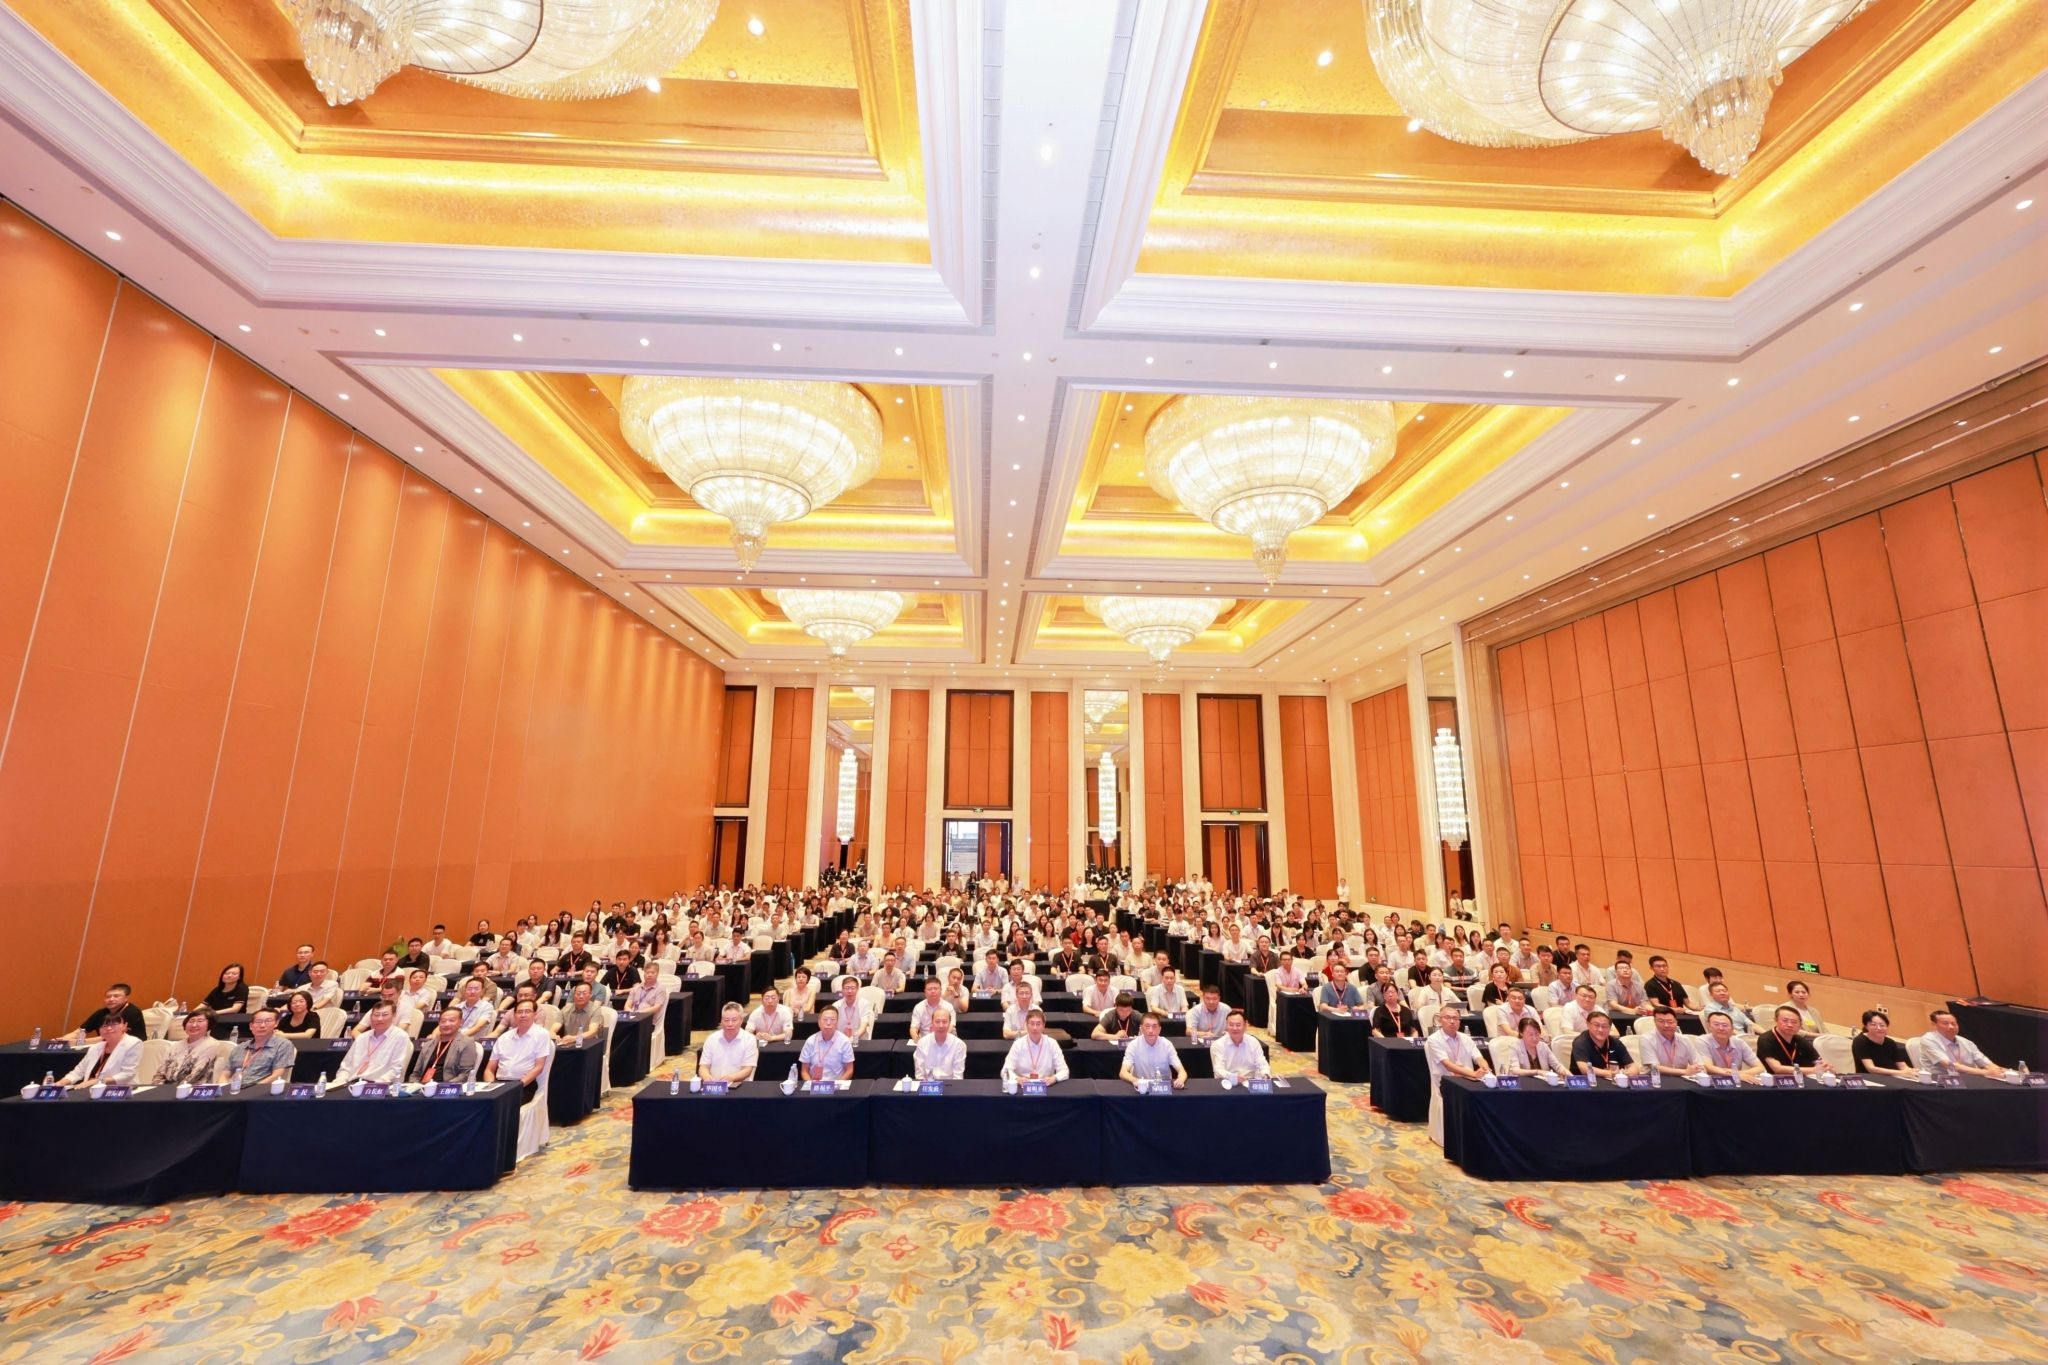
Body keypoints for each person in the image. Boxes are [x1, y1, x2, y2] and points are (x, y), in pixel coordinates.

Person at [1423, 1006, 1488, 1145]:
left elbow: (1478, 1056)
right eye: (1448, 1018)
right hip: (1447, 1081)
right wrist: (1473, 1074)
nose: (1452, 1021)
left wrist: (1484, 1066)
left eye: (1455, 1018)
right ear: (1440, 1020)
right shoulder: (1434, 1040)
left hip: (1469, 1080)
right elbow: (1447, 1064)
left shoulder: (1465, 1038)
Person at [484, 1000, 551, 1101]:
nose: (523, 1015)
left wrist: (517, 1086)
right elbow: (489, 1069)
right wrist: (491, 1087)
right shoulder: (504, 1037)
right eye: (519, 1012)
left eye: (527, 1011)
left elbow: (539, 1067)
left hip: (523, 1085)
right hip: (499, 1085)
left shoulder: (542, 1034)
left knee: (503, 1105)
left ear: (535, 1014)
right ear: (514, 1015)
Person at [334, 1003, 411, 1085]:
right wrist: (339, 1082)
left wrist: (376, 1085)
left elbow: (396, 1069)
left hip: (379, 1085)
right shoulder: (362, 1038)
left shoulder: (400, 1037)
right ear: (371, 1017)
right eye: (376, 1015)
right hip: (353, 1084)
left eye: (385, 1015)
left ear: (394, 1016)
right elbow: (345, 1067)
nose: (380, 1019)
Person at [61, 1015, 143, 1088]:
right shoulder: (96, 1047)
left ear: (125, 1026)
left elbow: (128, 1074)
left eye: (114, 1024)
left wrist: (98, 1081)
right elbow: (78, 1071)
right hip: (90, 1088)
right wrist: (60, 1083)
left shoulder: (133, 1043)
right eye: (104, 1026)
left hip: (118, 1090)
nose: (109, 1028)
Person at [410, 1007, 482, 1085]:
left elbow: (465, 1074)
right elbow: (416, 1073)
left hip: (448, 1087)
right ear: (439, 1023)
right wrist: (415, 1086)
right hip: (423, 1087)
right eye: (443, 1021)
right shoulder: (428, 1044)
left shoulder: (466, 1042)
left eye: (452, 1020)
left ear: (461, 1022)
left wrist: (443, 1086)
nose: (447, 1024)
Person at [1917, 1010, 2001, 1077]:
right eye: (1945, 1023)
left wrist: (1996, 1070)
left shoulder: (1966, 1042)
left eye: (1954, 1023)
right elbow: (1949, 1065)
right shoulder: (1928, 1040)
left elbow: (1984, 1062)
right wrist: (1985, 1072)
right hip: (1941, 1082)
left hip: (1970, 1080)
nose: (1951, 1027)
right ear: (1934, 1025)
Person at [155, 1009, 226, 1086]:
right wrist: (158, 1088)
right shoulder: (175, 1045)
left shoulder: (212, 1045)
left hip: (191, 1089)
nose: (194, 1025)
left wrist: (170, 1090)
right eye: (191, 1021)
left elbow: (194, 1077)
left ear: (209, 1025)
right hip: (166, 1088)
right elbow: (160, 1073)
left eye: (200, 1021)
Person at [1758, 1005, 1831, 1077]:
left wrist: (1825, 1067)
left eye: (1794, 1022)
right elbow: (1777, 1069)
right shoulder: (1765, 1039)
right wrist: (1813, 1070)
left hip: (1800, 1078)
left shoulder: (1800, 1040)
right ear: (1775, 1020)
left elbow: (1818, 1061)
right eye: (1785, 1021)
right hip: (1775, 1080)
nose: (1790, 1025)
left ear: (1800, 1025)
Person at [1118, 1012, 1187, 1090]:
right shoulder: (1133, 1045)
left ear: (1159, 1029)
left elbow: (1182, 1071)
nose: (1151, 1030)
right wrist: (1136, 1081)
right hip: (1141, 1089)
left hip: (1162, 1089)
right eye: (1147, 1026)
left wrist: (1180, 1080)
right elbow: (1123, 1072)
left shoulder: (1167, 1045)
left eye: (1154, 1027)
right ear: (1141, 1029)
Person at [1001, 1008, 1070, 1085]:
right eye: (1032, 1023)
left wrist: (1054, 1078)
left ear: (1044, 1025)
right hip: (1023, 1087)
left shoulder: (1052, 1044)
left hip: (1046, 1087)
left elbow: (1065, 1070)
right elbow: (1005, 1071)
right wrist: (1017, 1079)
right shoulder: (1018, 1044)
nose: (1035, 1028)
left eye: (1038, 1024)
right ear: (1027, 1025)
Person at [697, 1003, 760, 1083]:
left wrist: (731, 1078)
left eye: (734, 1020)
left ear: (741, 1021)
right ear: (721, 1021)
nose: (730, 1024)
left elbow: (747, 1069)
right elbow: (703, 1066)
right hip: (715, 1085)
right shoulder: (712, 1039)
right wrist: (707, 1077)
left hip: (739, 1085)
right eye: (726, 1020)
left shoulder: (749, 1040)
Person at [1699, 1011, 1764, 1082]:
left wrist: (1737, 1074)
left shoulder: (1739, 1042)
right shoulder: (1702, 1041)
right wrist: (1735, 1074)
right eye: (1716, 1024)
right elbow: (1708, 1067)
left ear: (1732, 1028)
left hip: (1737, 1083)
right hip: (1712, 1083)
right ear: (1709, 1026)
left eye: (1725, 1025)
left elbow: (1760, 1068)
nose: (1721, 1028)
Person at [1569, 1011, 1636, 1079]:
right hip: (1585, 1082)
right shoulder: (1580, 1042)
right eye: (1596, 1025)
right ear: (1588, 1025)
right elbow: (1585, 1069)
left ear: (1610, 1028)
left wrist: (1625, 1074)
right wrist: (1612, 1073)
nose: (1600, 1029)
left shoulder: (1615, 1042)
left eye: (1605, 1026)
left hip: (1612, 1081)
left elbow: (1633, 1067)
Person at [1639, 1006, 1703, 1077]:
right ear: (1655, 1022)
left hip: (1681, 1079)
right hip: (1656, 1079)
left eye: (1670, 1022)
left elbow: (1698, 1064)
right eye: (1661, 1021)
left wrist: (1698, 1070)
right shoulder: (1646, 1039)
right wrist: (1685, 1071)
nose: (1666, 1025)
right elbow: (1654, 1067)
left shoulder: (1685, 1040)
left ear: (1676, 1022)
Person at [800, 1005, 856, 1081]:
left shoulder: (844, 1042)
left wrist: (837, 1085)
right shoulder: (810, 1041)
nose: (828, 1023)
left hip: (836, 1084)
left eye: (832, 1020)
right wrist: (811, 1085)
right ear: (819, 1022)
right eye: (825, 1019)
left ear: (837, 1023)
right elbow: (804, 1071)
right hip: (814, 1084)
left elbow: (849, 1071)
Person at [1210, 1009, 1269, 1080]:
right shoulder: (1218, 1044)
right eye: (1231, 1025)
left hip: (1250, 1081)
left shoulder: (1253, 1042)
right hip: (1228, 1081)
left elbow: (1262, 1063)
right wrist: (1233, 1077)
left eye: (1238, 1025)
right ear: (1226, 1026)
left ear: (1245, 1026)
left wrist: (1265, 1074)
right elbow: (1218, 1070)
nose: (1234, 1028)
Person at [1851, 1009, 1915, 1075]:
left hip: (1891, 1076)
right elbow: (1871, 1069)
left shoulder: (1890, 1042)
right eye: (1873, 1025)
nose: (1879, 1028)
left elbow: (1903, 1066)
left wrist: (1911, 1071)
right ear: (1866, 1026)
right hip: (1869, 1077)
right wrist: (1901, 1073)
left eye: (1882, 1025)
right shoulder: (1860, 1041)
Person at [911, 1007, 966, 1081]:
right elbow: (919, 1075)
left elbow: (958, 1077)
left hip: (950, 1085)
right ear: (932, 1023)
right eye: (937, 1021)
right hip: (928, 1085)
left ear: (949, 1023)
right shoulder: (922, 1043)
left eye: (944, 1022)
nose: (941, 1025)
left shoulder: (959, 1045)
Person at [74, 983, 146, 1040]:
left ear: (126, 998)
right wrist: (66, 1040)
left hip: (131, 1048)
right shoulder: (101, 1013)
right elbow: (80, 1032)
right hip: (105, 1047)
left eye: (116, 996)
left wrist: (84, 1042)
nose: (111, 999)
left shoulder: (132, 1012)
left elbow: (112, 1038)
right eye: (108, 997)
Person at [1501, 1016, 1566, 1077]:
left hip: (1542, 1082)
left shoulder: (1543, 1046)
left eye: (1537, 1034)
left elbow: (1558, 1066)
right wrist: (1537, 1072)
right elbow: (1515, 1070)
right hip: (1522, 1083)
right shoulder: (1515, 1047)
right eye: (1530, 1035)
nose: (1534, 1038)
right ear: (1521, 1033)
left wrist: (1569, 1076)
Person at [351, 983, 422, 1038]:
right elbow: (355, 1031)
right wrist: (364, 1041)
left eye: (390, 995)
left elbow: (398, 1033)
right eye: (384, 996)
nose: (387, 999)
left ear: (399, 993)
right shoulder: (377, 1008)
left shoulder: (406, 1008)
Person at [833, 977, 874, 1042]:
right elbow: (833, 1028)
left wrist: (851, 1040)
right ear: (842, 990)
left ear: (857, 989)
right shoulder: (836, 1006)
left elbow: (863, 1028)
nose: (850, 991)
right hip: (841, 1042)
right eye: (847, 988)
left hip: (860, 1041)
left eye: (853, 988)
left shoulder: (864, 1004)